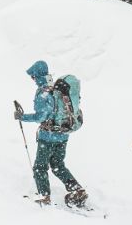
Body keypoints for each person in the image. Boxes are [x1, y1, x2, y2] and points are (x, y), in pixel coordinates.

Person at [14, 60, 89, 208]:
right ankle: (77, 189)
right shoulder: (56, 88)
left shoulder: (43, 93)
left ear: (37, 75)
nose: (33, 79)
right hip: (63, 134)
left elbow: (41, 117)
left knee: (39, 167)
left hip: (48, 137)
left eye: (33, 76)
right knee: (58, 165)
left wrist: (22, 117)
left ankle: (44, 196)